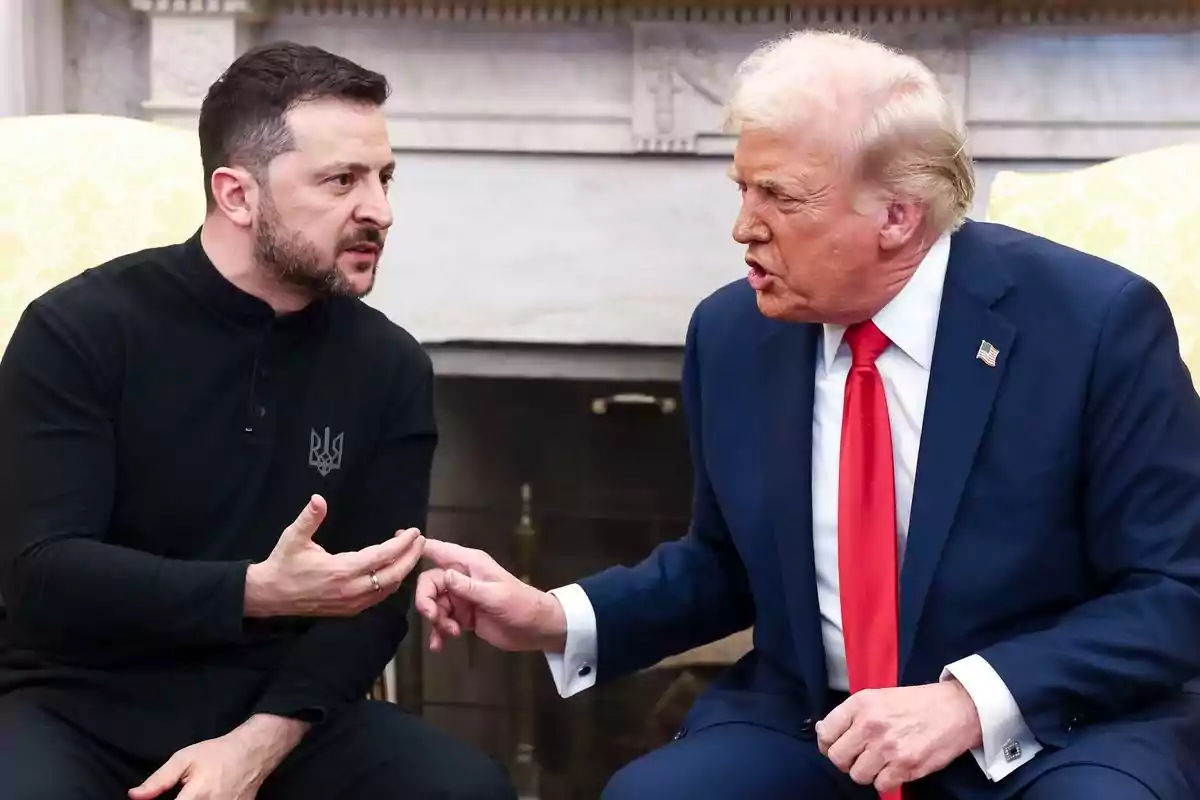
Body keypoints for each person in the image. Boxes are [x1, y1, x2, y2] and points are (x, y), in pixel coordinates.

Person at [413, 29, 1200, 800]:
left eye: (780, 196)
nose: (744, 226)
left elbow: (1172, 591)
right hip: (815, 723)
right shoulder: (734, 333)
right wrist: (552, 617)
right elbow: (722, 565)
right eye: (743, 189)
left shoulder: (1093, 324)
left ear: (897, 216)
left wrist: (969, 702)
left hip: (1048, 727)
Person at [0, 41, 515, 800]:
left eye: (383, 176)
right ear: (237, 195)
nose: (379, 209)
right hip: (73, 704)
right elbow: (40, 571)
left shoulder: (390, 366)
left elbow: (374, 603)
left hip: (278, 710)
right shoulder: (79, 329)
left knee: (463, 789)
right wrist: (253, 590)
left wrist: (255, 745)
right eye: (341, 180)